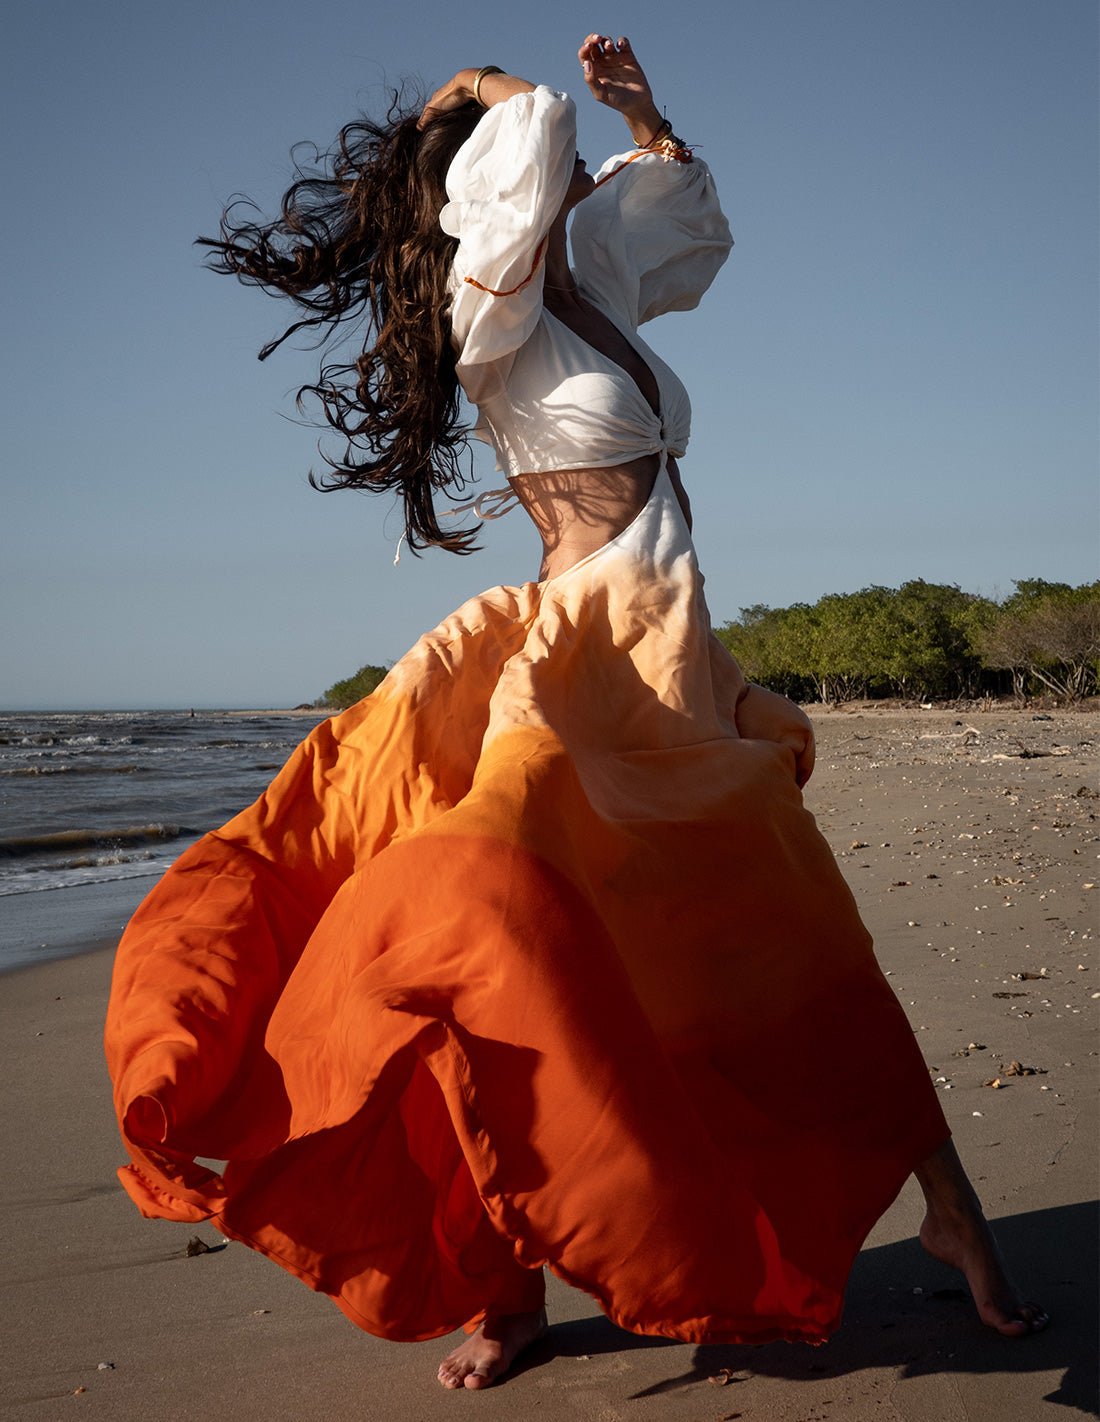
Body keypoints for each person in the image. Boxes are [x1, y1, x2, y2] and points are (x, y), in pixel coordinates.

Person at [104, 34, 1046, 1394]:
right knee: (506, 940)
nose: (535, 164)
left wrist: (648, 119)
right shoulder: (493, 313)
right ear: (480, 189)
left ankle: (946, 1202)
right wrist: (487, 87)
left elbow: (691, 231)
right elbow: (533, 139)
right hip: (582, 664)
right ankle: (509, 1285)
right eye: (505, 154)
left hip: (673, 655)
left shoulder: (581, 280)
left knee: (802, 939)